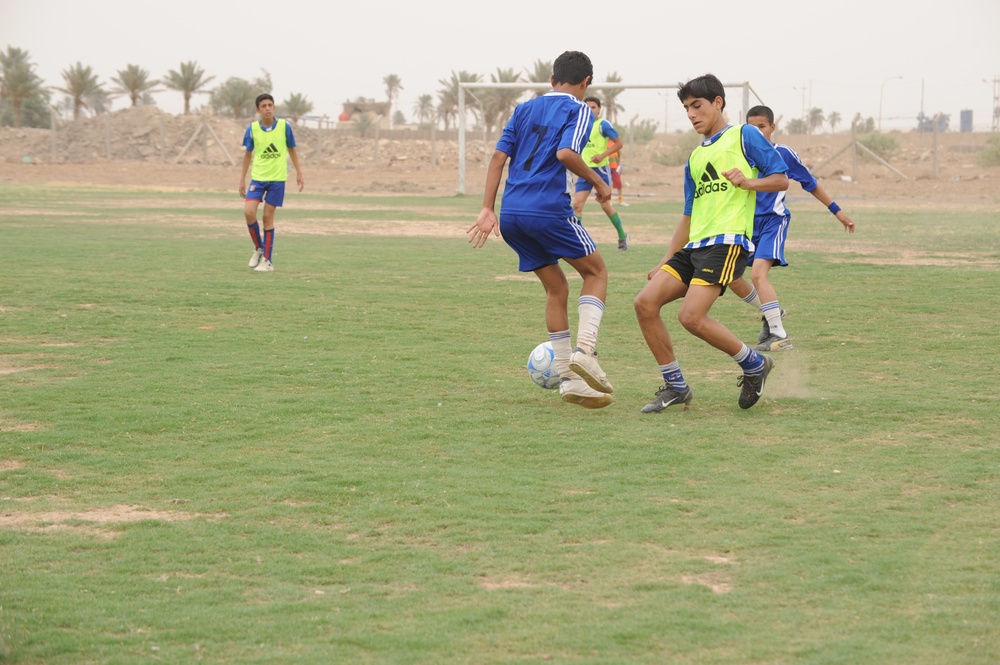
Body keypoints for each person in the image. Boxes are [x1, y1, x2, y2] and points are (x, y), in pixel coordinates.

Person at [467, 51, 615, 409]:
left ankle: (568, 379)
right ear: (585, 84)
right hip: (547, 210)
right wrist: (598, 180)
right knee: (596, 272)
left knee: (556, 287)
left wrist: (487, 208)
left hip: (512, 214)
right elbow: (566, 153)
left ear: (551, 79)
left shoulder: (523, 109)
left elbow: (498, 158)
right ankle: (585, 352)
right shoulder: (580, 109)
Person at [633, 74, 789, 413]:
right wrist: (666, 259)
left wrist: (748, 182)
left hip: (728, 242)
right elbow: (688, 215)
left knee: (691, 316)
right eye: (687, 108)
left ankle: (754, 364)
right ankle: (676, 386)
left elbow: (781, 179)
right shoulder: (694, 158)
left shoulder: (744, 135)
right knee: (645, 304)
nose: (691, 114)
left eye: (697, 105)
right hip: (694, 247)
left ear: (718, 102)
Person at [728, 105, 857, 351]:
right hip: (745, 225)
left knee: (757, 274)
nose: (757, 131)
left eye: (762, 127)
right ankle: (772, 312)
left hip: (773, 222)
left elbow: (810, 184)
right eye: (752, 128)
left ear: (772, 127)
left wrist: (838, 212)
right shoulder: (741, 155)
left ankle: (779, 335)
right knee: (731, 278)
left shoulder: (783, 153)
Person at [238, 93, 305, 273]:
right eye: (264, 106)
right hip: (258, 178)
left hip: (277, 179)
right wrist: (242, 179)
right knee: (248, 212)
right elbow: (247, 155)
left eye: (270, 105)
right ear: (258, 110)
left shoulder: (284, 127)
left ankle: (268, 261)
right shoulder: (252, 129)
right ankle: (259, 248)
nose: (267, 108)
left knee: (268, 218)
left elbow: (292, 150)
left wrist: (299, 172)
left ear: (274, 107)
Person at [571, 96, 630, 251]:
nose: (590, 110)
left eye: (593, 107)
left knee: (605, 205)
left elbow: (619, 143)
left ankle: (622, 236)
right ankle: (577, 242)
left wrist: (603, 156)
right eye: (587, 107)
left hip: (601, 171)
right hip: (584, 170)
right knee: (577, 205)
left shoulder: (602, 125)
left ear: (599, 109)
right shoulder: (579, 124)